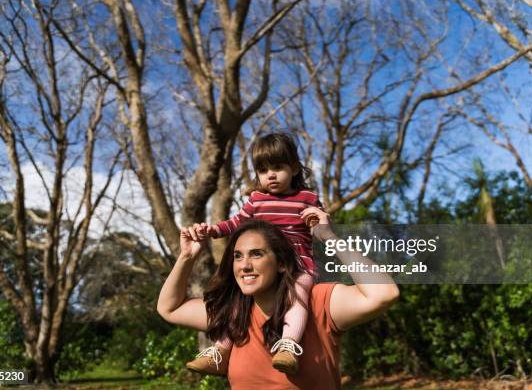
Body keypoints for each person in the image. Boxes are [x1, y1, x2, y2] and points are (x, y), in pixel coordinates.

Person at [157, 218, 400, 389]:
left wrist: (329, 237)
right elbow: (169, 308)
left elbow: (384, 293)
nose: (244, 265)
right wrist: (187, 257)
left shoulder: (319, 302)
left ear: (282, 263)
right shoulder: (233, 313)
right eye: (238, 256)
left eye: (257, 254)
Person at [186, 133, 324, 375]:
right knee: (238, 300)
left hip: (297, 265)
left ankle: (288, 346)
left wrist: (317, 223)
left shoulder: (307, 199)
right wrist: (213, 230)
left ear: (293, 168)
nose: (270, 175)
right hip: (264, 267)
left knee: (299, 293)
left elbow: (321, 228)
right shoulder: (257, 200)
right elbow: (237, 222)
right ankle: (219, 351)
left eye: (278, 167)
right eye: (263, 170)